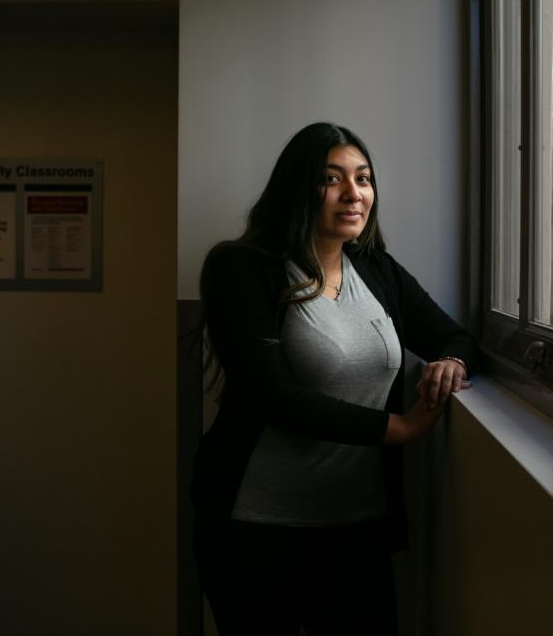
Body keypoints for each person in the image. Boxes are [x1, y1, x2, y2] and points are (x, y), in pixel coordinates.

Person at [192, 122, 481, 635]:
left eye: (364, 178)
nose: (354, 194)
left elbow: (455, 338)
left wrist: (450, 364)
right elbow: (275, 397)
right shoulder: (241, 269)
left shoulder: (376, 270)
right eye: (332, 179)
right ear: (299, 189)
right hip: (256, 528)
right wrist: (403, 428)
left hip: (357, 526)